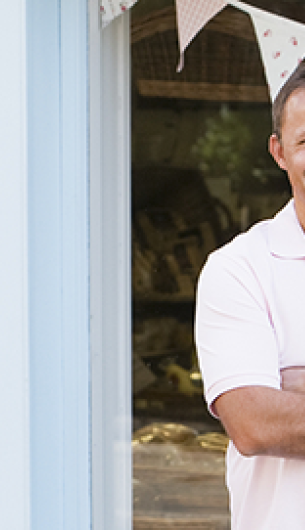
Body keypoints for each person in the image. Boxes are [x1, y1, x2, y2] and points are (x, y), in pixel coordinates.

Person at [196, 59, 305, 530]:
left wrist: (289, 386)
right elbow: (255, 424)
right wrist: (269, 404)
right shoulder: (238, 269)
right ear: (279, 152)